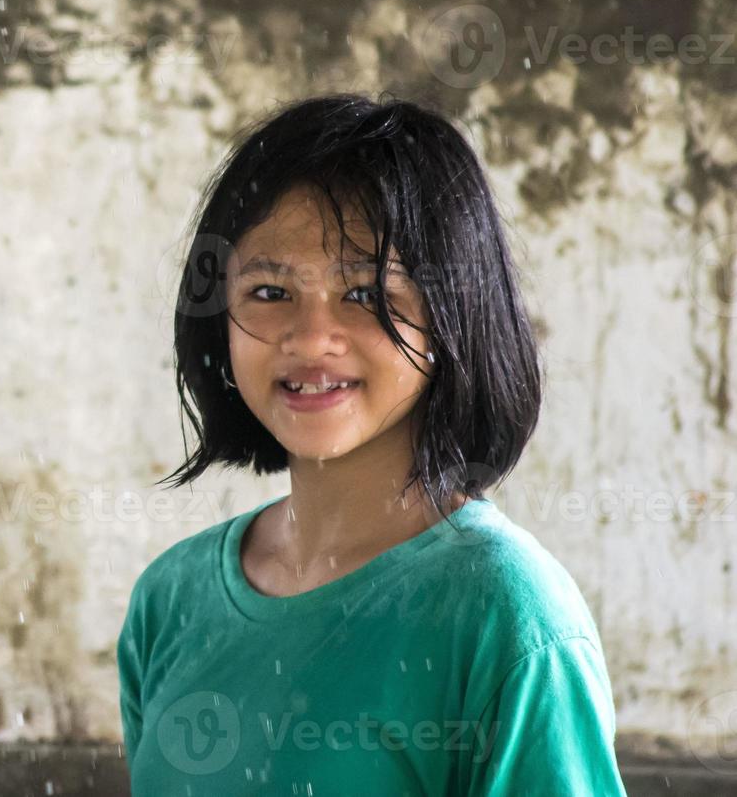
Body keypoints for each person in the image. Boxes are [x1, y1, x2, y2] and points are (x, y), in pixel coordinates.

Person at [117, 94, 627, 795]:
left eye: (363, 295)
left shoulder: (506, 617)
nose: (310, 338)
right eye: (270, 291)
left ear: (453, 317)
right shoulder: (171, 601)